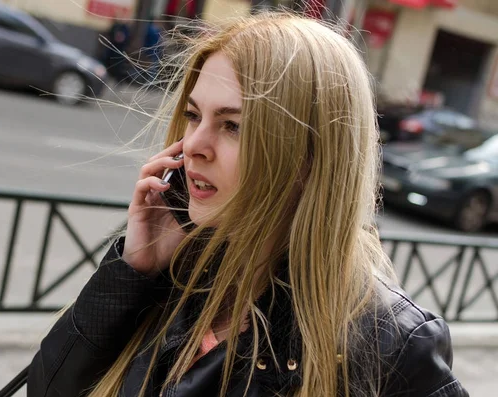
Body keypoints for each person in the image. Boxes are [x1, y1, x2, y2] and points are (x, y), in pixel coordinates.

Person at [28, 12, 468, 397]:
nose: (194, 145)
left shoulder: (390, 345)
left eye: (233, 125)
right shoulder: (175, 273)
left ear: (311, 154)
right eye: (195, 115)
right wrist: (132, 272)